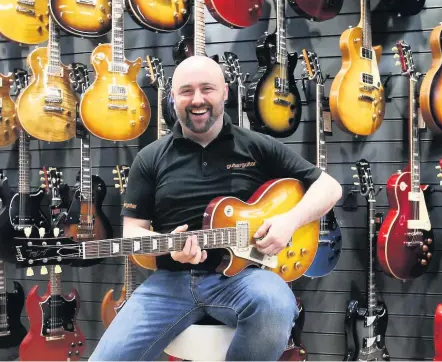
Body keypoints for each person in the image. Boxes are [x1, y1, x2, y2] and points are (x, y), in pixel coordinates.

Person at [90, 55, 343, 361]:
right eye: (186, 91)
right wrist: (168, 250)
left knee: (276, 304)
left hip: (242, 279)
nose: (197, 99)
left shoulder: (257, 146)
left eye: (207, 89)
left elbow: (330, 187)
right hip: (170, 283)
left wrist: (289, 222)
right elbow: (133, 234)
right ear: (173, 96)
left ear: (225, 91)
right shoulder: (149, 158)